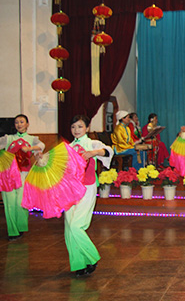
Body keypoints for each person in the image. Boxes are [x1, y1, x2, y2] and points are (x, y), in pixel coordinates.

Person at [67, 115, 113, 277]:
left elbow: (108, 151)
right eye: (73, 127)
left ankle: (92, 257)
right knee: (69, 228)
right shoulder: (68, 147)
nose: (76, 130)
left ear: (87, 128)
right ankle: (79, 263)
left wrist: (93, 153)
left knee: (76, 226)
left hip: (87, 187)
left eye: (80, 126)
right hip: (69, 189)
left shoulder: (92, 143)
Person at [0, 114, 45, 240]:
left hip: (24, 174)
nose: (19, 124)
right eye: (16, 122)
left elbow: (41, 146)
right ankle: (13, 231)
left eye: (21, 122)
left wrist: (30, 149)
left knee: (21, 202)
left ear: (27, 124)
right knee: (9, 203)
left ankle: (20, 227)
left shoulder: (32, 139)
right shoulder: (8, 138)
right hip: (8, 175)